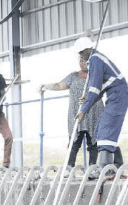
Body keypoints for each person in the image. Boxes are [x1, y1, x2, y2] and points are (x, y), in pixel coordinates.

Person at [39, 37, 107, 170]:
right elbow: (59, 85)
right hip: (77, 114)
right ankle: (69, 167)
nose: (83, 62)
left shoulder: (97, 75)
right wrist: (45, 86)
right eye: (81, 60)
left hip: (95, 113)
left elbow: (111, 85)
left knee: (94, 143)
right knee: (74, 142)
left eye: (85, 60)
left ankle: (93, 168)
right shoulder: (73, 76)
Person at [76, 44, 128, 168]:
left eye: (82, 52)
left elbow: (94, 89)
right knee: (100, 130)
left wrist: (83, 109)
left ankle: (106, 169)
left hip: (118, 95)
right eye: (79, 53)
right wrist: (86, 102)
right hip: (114, 95)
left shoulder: (95, 59)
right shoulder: (95, 60)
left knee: (107, 129)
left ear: (87, 49)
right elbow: (98, 91)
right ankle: (116, 165)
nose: (81, 55)